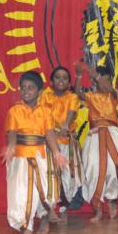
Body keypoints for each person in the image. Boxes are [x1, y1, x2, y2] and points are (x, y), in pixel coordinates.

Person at [2, 71, 66, 234]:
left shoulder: (45, 111)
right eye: (23, 88)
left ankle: (44, 217)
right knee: (22, 192)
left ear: (39, 92)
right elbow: (12, 132)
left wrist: (57, 153)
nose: (26, 91)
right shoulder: (14, 111)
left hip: (41, 155)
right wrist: (11, 147)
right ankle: (26, 227)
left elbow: (49, 134)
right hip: (21, 156)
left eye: (30, 88)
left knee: (44, 189)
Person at [75, 62, 118, 221]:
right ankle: (97, 208)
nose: (104, 84)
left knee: (113, 168)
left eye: (107, 80)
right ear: (94, 83)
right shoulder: (91, 96)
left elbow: (107, 87)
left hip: (112, 134)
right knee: (93, 168)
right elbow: (77, 92)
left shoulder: (112, 95)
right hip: (94, 135)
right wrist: (79, 75)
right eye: (101, 80)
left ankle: (112, 200)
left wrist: (93, 73)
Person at [39, 66, 82, 221]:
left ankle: (65, 204)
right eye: (57, 77)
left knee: (67, 174)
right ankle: (49, 208)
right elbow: (42, 115)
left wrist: (65, 126)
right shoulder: (45, 96)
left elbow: (71, 112)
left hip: (66, 141)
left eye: (65, 78)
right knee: (50, 173)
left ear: (69, 82)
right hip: (49, 142)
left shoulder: (72, 97)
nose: (61, 80)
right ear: (51, 81)